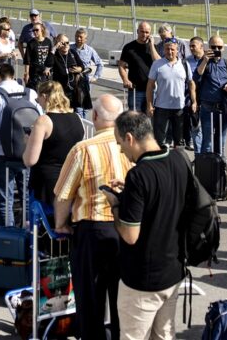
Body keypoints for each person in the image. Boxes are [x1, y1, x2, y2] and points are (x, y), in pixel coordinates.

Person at [103, 110, 191, 340]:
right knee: (164, 335)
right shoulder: (178, 159)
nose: (122, 150)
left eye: (121, 143)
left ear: (130, 137)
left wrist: (115, 206)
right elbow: (165, 196)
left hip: (143, 279)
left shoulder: (138, 175)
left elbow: (130, 235)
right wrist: (131, 193)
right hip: (173, 269)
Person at [53, 94, 132, 340]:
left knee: (90, 299)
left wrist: (60, 224)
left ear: (95, 116)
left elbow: (63, 195)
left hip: (92, 229)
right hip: (125, 229)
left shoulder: (83, 149)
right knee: (122, 298)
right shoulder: (131, 147)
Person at [0, 63, 43, 225]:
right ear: (13, 75)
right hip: (28, 153)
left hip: (4, 154)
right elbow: (41, 120)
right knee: (28, 197)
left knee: (5, 200)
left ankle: (8, 240)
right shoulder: (30, 93)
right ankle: (29, 237)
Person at [23, 80, 85, 206]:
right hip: (72, 180)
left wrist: (27, 142)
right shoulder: (77, 118)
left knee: (43, 221)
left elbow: (30, 160)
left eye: (38, 98)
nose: (38, 102)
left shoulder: (44, 121)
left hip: (48, 183)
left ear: (45, 96)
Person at [193, 36, 227, 172]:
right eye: (213, 47)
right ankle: (203, 173)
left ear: (223, 48)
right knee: (207, 142)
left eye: (219, 47)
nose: (216, 50)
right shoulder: (205, 62)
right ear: (209, 47)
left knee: (221, 143)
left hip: (223, 109)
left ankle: (219, 175)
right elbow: (196, 77)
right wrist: (205, 60)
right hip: (208, 108)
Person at [146, 38, 195, 148]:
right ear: (164, 50)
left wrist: (194, 101)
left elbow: (191, 84)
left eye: (172, 49)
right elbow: (150, 86)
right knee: (160, 139)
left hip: (179, 108)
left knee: (179, 139)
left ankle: (177, 161)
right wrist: (149, 105)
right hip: (161, 107)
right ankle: (160, 161)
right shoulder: (157, 64)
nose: (170, 52)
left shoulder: (184, 65)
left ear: (177, 50)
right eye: (167, 49)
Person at [118, 21, 159, 112]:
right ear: (137, 31)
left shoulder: (154, 48)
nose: (144, 34)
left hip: (152, 90)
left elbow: (158, 63)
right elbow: (121, 65)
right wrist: (125, 79)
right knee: (135, 119)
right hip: (135, 90)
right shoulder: (129, 47)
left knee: (149, 120)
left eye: (147, 32)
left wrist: (151, 45)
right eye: (142, 31)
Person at [71, 28, 103, 119]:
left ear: (85, 39)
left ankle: (84, 127)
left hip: (85, 82)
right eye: (77, 36)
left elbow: (100, 64)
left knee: (85, 108)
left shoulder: (90, 50)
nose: (78, 39)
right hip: (73, 82)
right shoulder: (70, 48)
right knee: (78, 108)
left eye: (81, 37)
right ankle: (81, 127)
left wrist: (95, 77)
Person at [50, 34, 85, 112]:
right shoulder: (54, 55)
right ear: (58, 43)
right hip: (59, 92)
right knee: (61, 112)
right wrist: (54, 48)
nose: (66, 45)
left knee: (73, 113)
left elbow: (82, 66)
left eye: (67, 42)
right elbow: (47, 64)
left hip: (72, 92)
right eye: (63, 43)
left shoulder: (72, 53)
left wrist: (79, 69)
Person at [185, 36, 204, 153]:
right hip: (193, 99)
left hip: (207, 98)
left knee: (208, 128)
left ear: (202, 47)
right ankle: (198, 156)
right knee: (196, 127)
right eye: (190, 46)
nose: (191, 48)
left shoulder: (209, 60)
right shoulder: (187, 61)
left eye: (194, 46)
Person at [22, 23, 53, 90]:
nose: (35, 32)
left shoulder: (48, 42)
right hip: (34, 73)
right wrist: (26, 73)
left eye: (37, 30)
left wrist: (48, 68)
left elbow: (50, 57)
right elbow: (27, 60)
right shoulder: (31, 43)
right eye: (33, 30)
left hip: (44, 73)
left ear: (42, 30)